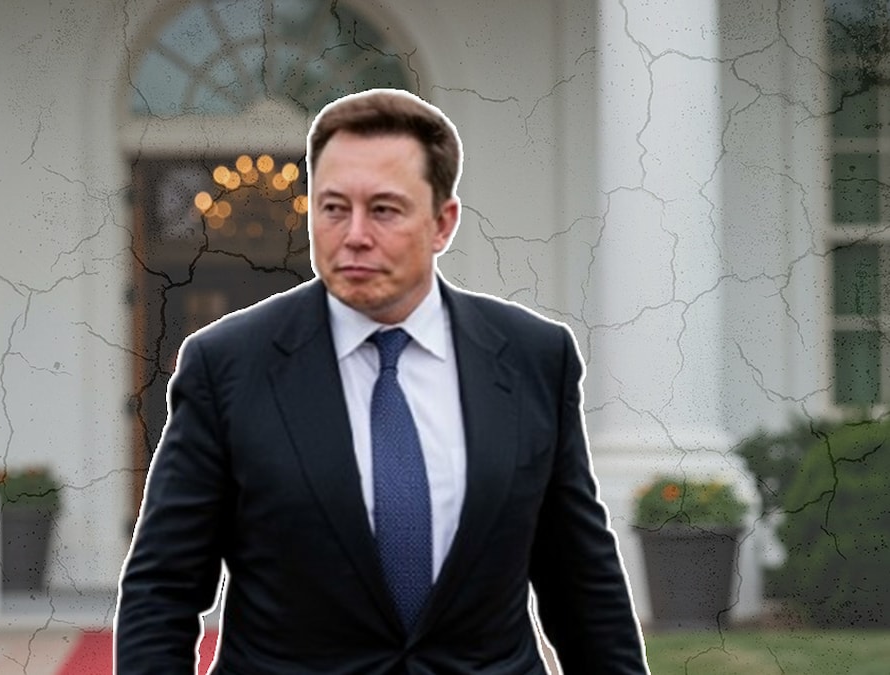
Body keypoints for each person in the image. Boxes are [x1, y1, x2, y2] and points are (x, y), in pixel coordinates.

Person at [115, 89, 647, 674]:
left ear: (443, 223)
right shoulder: (227, 366)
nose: (355, 234)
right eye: (333, 208)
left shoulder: (532, 358)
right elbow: (163, 589)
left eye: (385, 210)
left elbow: (580, 581)